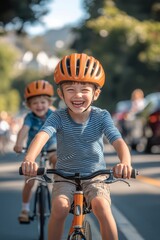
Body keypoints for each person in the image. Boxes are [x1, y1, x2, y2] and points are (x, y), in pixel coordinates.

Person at [21, 53, 132, 240]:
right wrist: (29, 159)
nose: (77, 95)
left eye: (85, 90)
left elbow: (118, 141)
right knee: (60, 208)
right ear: (60, 94)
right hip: (65, 176)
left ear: (96, 93)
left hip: (95, 177)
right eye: (70, 89)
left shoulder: (101, 116)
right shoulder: (58, 117)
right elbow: (42, 135)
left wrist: (125, 162)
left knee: (102, 207)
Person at [14, 80, 57, 223]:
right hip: (34, 150)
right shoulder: (30, 117)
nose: (39, 106)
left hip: (52, 147)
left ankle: (60, 185)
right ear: (29, 105)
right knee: (29, 178)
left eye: (43, 102)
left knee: (56, 160)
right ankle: (25, 209)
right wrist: (19, 143)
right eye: (35, 103)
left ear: (49, 102)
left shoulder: (54, 115)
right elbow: (24, 130)